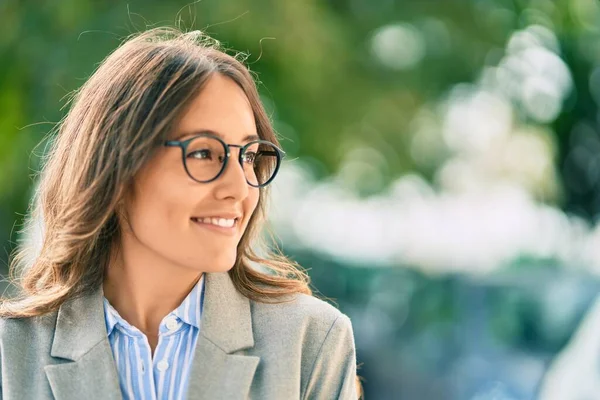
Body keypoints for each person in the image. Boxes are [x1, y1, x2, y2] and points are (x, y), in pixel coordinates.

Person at [0, 27, 360, 399]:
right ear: (117, 166)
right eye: (204, 153)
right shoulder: (10, 353)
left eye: (249, 156)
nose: (239, 188)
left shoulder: (310, 341)